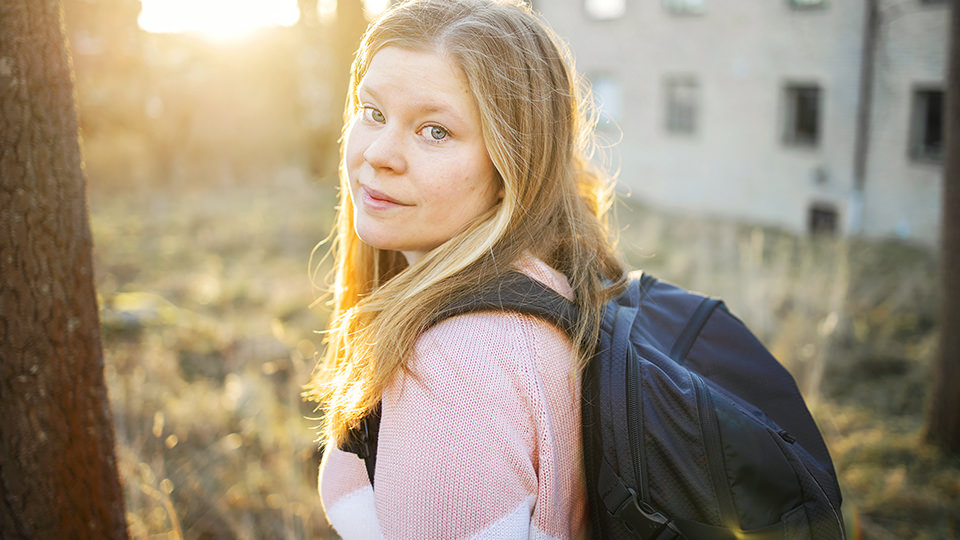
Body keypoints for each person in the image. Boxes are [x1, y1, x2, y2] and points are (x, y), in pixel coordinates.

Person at [305, 0, 625, 537]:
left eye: (434, 131)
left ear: (510, 167)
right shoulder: (546, 276)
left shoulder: (451, 368)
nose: (379, 153)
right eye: (373, 112)